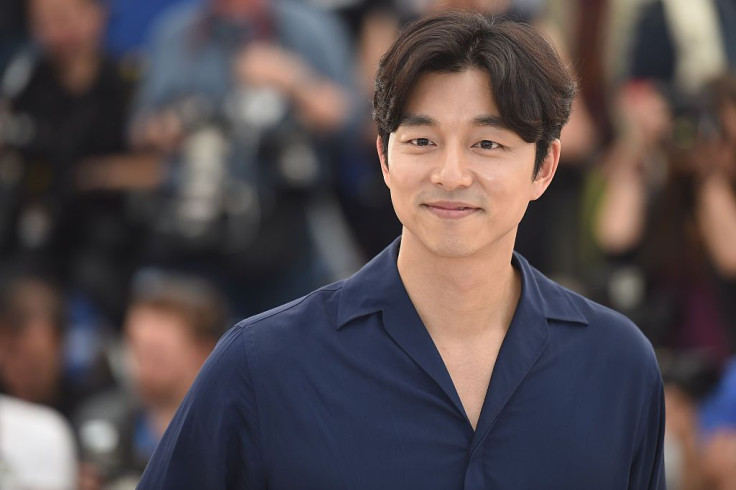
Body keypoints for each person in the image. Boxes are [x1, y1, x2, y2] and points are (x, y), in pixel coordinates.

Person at [138, 11, 665, 489]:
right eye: (421, 141)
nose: (451, 174)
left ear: (544, 167)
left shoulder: (617, 365)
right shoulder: (263, 363)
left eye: (488, 144)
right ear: (384, 159)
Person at [74, 272, 226, 488]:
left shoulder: (231, 434)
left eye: (157, 354)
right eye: (136, 350)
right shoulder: (96, 423)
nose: (142, 367)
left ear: (203, 350)